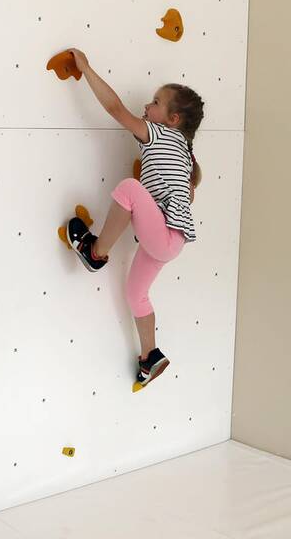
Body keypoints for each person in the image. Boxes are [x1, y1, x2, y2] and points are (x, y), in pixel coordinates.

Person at [60, 48, 204, 391]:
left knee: (129, 188)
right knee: (136, 293)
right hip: (173, 241)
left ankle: (95, 252)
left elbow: (115, 108)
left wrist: (86, 68)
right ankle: (149, 356)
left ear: (173, 119)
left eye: (155, 103)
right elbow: (188, 195)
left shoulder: (159, 133)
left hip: (164, 235)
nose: (147, 106)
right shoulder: (185, 152)